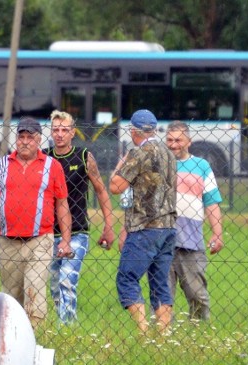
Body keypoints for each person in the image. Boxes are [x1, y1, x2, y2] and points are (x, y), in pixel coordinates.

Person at [0, 117, 73, 329]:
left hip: (40, 239)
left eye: (31, 137)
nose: (25, 142)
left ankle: (35, 341)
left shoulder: (52, 166)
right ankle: (12, 339)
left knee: (35, 292)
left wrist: (65, 240)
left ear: (39, 140)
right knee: (11, 298)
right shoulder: (1, 165)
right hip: (7, 241)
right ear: (16, 139)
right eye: (22, 137)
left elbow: (62, 205)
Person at [109, 109, 177, 334]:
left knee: (127, 277)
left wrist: (122, 164)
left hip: (145, 226)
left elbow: (115, 187)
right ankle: (164, 334)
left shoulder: (139, 153)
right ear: (155, 129)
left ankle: (144, 330)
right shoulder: (168, 152)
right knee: (159, 283)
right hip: (167, 226)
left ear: (133, 130)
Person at [45, 110, 116, 324]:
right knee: (55, 286)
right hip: (48, 231)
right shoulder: (45, 157)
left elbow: (101, 190)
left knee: (68, 279)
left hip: (77, 230)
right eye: (55, 130)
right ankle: (64, 323)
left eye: (64, 130)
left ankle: (66, 328)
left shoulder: (83, 157)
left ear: (72, 133)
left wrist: (108, 225)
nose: (59, 134)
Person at [165, 121, 224, 321]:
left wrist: (217, 234)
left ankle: (199, 334)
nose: (173, 144)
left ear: (188, 141)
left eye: (178, 140)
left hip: (191, 241)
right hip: (161, 240)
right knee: (163, 297)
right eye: (170, 140)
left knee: (197, 295)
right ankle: (162, 337)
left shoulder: (201, 166)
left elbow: (212, 202)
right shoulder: (159, 164)